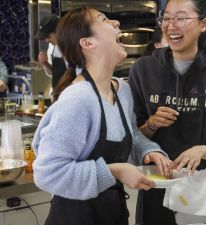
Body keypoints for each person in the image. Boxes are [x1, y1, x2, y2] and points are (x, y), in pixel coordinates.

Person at [32, 7, 172, 225]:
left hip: (112, 213)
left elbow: (130, 134)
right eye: (104, 19)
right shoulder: (78, 99)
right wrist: (115, 170)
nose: (116, 22)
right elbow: (47, 173)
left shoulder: (122, 89)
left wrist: (149, 151)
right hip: (74, 218)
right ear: (88, 43)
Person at [128, 0, 206, 224]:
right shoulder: (143, 69)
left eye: (181, 18)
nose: (171, 25)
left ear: (203, 24)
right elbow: (132, 134)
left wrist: (202, 151)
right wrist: (152, 124)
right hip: (156, 186)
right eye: (166, 18)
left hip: (203, 193)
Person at [35, 14, 66, 90]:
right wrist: (45, 63)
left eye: (49, 37)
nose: (47, 41)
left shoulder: (73, 46)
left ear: (59, 31)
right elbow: (54, 73)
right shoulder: (52, 47)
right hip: (57, 92)